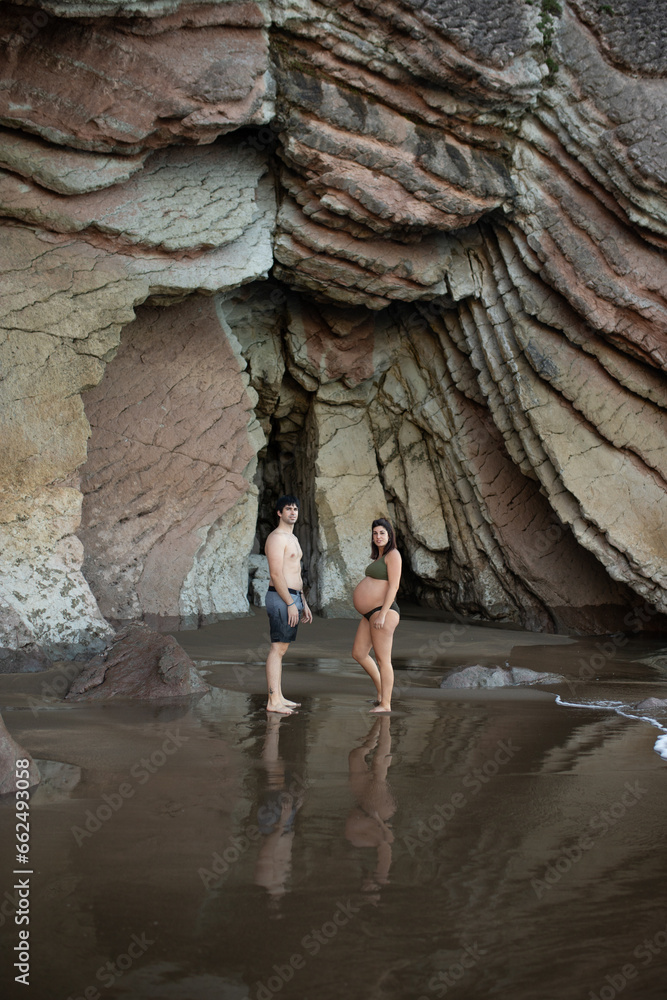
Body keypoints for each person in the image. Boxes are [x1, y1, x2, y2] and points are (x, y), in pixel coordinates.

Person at [264, 495, 312, 714]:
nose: (293, 512)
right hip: (281, 597)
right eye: (288, 509)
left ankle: (280, 697)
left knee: (282, 649)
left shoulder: (293, 539)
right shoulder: (276, 538)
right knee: (277, 648)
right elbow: (276, 574)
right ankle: (273, 701)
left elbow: (295, 572)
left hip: (293, 596)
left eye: (295, 509)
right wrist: (291, 602)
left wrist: (302, 601)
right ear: (279, 513)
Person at [352, 517, 402, 713]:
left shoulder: (393, 555)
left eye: (382, 533)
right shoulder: (380, 557)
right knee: (359, 653)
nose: (378, 536)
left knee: (383, 660)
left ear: (389, 535)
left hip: (384, 612)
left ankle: (386, 704)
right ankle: (382, 692)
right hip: (370, 614)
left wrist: (382, 613)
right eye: (375, 533)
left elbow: (394, 585)